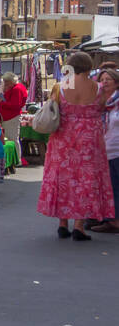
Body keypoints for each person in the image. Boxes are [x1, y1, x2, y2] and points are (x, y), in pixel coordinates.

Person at [36, 51, 115, 241]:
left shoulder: (61, 86)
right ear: (89, 66)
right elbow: (102, 107)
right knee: (86, 180)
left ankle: (63, 223)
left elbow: (54, 108)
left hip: (64, 137)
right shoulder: (98, 88)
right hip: (90, 139)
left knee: (64, 177)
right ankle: (79, 226)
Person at [94, 68, 119, 233]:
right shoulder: (100, 101)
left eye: (109, 78)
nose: (105, 81)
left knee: (115, 187)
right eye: (102, 79)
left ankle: (115, 222)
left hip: (117, 149)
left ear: (116, 82)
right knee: (108, 187)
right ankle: (109, 219)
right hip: (103, 150)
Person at [0, 71, 28, 171]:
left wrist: (2, 103)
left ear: (11, 81)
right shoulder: (15, 88)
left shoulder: (17, 89)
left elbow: (15, 105)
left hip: (12, 117)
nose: (5, 84)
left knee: (12, 138)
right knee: (11, 138)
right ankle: (14, 160)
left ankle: (17, 160)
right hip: (9, 117)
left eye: (6, 82)